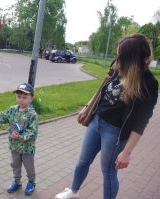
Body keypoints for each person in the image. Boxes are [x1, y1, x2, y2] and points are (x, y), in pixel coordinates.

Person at [55, 34, 158, 199]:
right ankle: (73, 191)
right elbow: (104, 88)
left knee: (109, 172)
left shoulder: (148, 83)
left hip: (115, 133)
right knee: (83, 161)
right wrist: (87, 107)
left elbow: (141, 123)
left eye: (120, 56)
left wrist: (126, 152)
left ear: (131, 58)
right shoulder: (118, 65)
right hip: (96, 121)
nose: (117, 59)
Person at [0, 83, 39, 196]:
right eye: (19, 97)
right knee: (15, 165)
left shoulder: (32, 114)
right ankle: (17, 182)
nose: (21, 100)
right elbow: (2, 116)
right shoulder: (12, 110)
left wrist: (21, 137)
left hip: (27, 148)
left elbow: (33, 132)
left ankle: (31, 182)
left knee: (29, 167)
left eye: (25, 97)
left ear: (31, 98)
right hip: (14, 147)